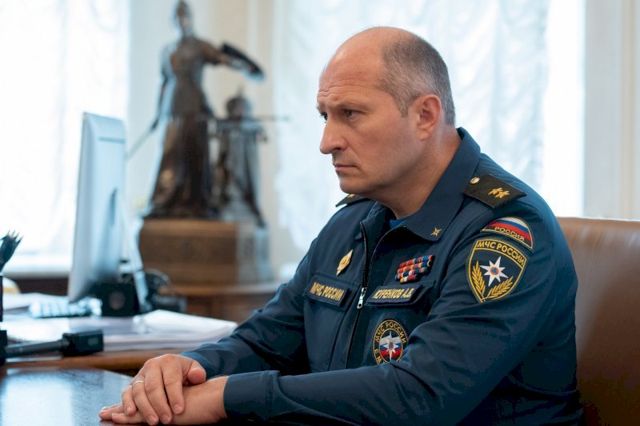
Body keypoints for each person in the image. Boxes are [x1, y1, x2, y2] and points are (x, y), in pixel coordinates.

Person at [100, 27, 582, 424]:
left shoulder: (505, 232)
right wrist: (191, 369)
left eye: (350, 114)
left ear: (425, 115)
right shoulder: (355, 220)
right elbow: (266, 341)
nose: (327, 141)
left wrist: (230, 396)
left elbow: (421, 397)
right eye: (325, 116)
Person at [146, 0, 261, 218]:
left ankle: (195, 202)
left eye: (185, 15)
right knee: (170, 155)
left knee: (194, 155)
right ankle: (165, 202)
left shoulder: (199, 46)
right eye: (178, 17)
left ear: (190, 18)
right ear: (173, 20)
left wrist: (243, 66)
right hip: (172, 108)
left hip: (194, 107)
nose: (182, 20)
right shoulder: (167, 50)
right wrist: (157, 114)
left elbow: (221, 58)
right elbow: (164, 83)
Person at [213, 91, 267, 226]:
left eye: (242, 107)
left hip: (245, 162)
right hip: (229, 158)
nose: (239, 111)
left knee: (244, 180)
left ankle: (245, 202)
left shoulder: (251, 123)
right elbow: (216, 132)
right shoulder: (226, 123)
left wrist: (245, 126)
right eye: (237, 108)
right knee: (229, 179)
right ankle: (230, 199)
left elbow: (263, 136)